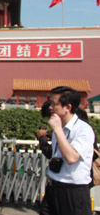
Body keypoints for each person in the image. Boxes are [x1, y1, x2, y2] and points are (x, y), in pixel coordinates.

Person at [39, 86, 95, 215]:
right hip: (53, 188)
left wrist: (58, 130)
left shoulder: (83, 130)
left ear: (67, 107)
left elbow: (71, 158)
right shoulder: (58, 128)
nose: (50, 107)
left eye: (54, 104)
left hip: (73, 192)